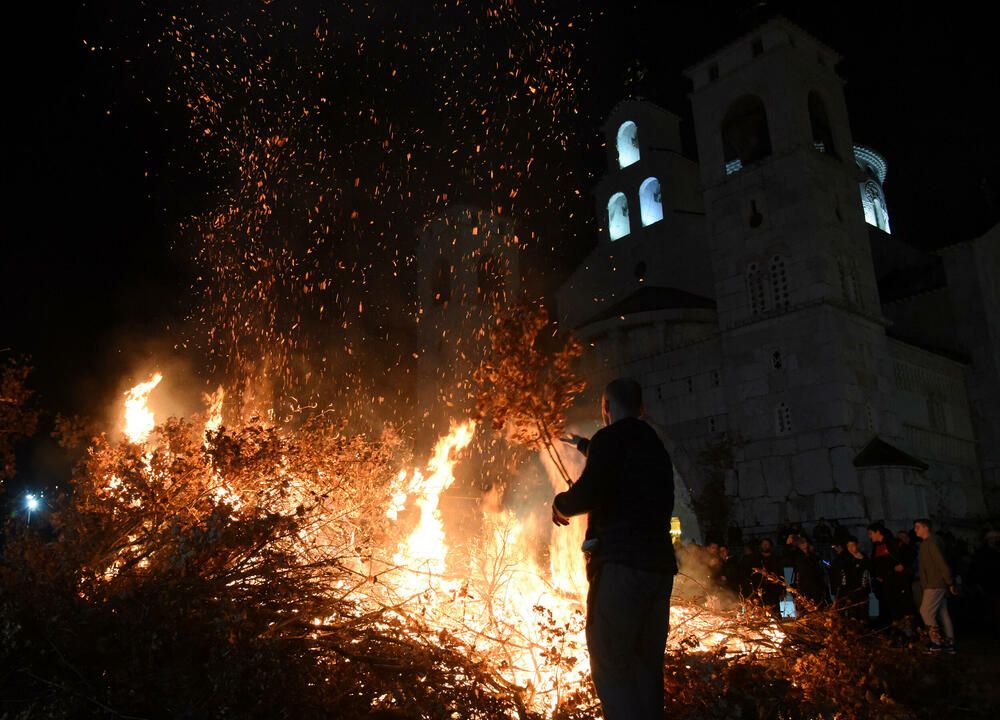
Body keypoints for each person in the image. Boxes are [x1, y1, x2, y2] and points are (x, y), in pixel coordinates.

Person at [552, 378, 676, 720]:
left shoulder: (611, 439)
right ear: (641, 409)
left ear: (605, 408)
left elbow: (589, 492)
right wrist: (584, 445)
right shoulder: (654, 445)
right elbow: (621, 459)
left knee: (612, 667)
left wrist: (561, 505)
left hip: (621, 568)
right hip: (659, 571)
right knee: (646, 668)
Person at [913, 519, 956, 652]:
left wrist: (949, 581)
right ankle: (949, 642)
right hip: (936, 582)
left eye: (918, 527)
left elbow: (940, 563)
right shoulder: (930, 543)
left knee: (926, 611)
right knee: (943, 613)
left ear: (926, 528)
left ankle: (936, 641)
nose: (916, 530)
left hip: (934, 583)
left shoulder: (930, 543)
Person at [868, 522, 910, 628]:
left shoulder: (893, 543)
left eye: (871, 533)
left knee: (902, 604)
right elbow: (874, 564)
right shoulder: (876, 548)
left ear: (878, 532)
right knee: (890, 605)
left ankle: (908, 628)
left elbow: (909, 554)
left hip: (898, 580)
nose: (870, 536)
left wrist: (902, 565)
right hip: (885, 582)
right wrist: (877, 575)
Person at [832, 536, 870, 621]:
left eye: (853, 545)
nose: (851, 548)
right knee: (852, 613)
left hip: (862, 590)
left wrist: (860, 560)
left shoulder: (863, 557)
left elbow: (867, 570)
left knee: (863, 613)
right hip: (849, 590)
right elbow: (840, 571)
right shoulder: (844, 559)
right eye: (849, 546)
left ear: (857, 545)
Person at [792, 536, 828, 612]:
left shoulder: (813, 556)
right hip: (804, 585)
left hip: (815, 584)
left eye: (804, 542)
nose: (803, 544)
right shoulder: (797, 556)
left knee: (817, 605)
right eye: (801, 543)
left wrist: (825, 564)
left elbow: (822, 563)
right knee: (806, 606)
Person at [751, 538, 785, 617]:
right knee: (761, 614)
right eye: (763, 544)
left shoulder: (775, 559)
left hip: (773, 590)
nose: (765, 546)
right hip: (761, 590)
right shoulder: (756, 559)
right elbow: (753, 575)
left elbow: (780, 574)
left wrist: (782, 591)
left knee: (775, 613)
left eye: (767, 544)